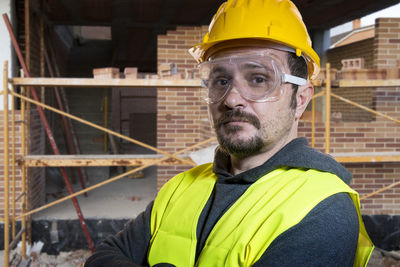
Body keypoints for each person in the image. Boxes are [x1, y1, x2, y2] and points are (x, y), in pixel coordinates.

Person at [85, 0, 374, 266]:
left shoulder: (322, 209)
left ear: (300, 99)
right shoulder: (181, 187)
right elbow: (105, 256)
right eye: (221, 80)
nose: (231, 98)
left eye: (259, 79)